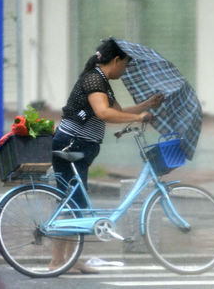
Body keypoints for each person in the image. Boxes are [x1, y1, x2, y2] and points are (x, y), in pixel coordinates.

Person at [49, 38, 163, 274]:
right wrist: (137, 118)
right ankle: (56, 262)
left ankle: (70, 260)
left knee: (75, 204)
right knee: (70, 204)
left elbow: (117, 112)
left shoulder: (102, 81)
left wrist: (146, 105)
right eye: (125, 64)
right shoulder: (94, 79)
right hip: (72, 145)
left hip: (80, 146)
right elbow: (103, 113)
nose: (125, 69)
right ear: (116, 60)